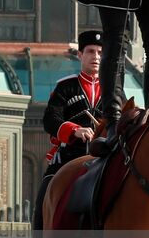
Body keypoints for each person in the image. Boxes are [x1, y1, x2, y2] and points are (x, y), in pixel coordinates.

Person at [42, 30, 104, 172]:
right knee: (46, 188)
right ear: (80, 55)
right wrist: (75, 130)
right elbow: (50, 119)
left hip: (105, 156)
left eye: (100, 53)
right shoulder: (65, 86)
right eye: (90, 51)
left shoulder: (113, 91)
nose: (96, 57)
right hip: (69, 156)